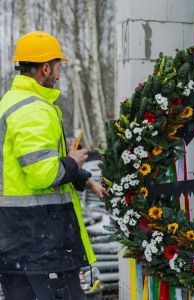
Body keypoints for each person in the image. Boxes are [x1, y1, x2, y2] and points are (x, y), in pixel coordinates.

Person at [0, 31, 106, 299]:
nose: (59, 73)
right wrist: (73, 160)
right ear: (45, 68)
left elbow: (22, 170)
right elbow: (42, 174)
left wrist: (82, 177)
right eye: (58, 66)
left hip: (14, 240)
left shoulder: (9, 103)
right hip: (43, 241)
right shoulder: (35, 110)